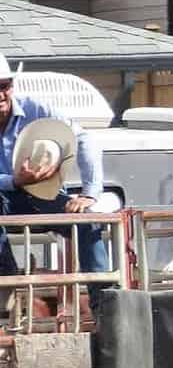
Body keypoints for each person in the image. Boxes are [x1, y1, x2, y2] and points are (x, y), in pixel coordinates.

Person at [0, 52, 108, 308]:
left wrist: (90, 192)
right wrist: (13, 180)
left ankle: (105, 300)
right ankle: (6, 281)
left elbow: (83, 139)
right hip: (4, 195)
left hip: (42, 193)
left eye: (3, 86)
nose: (0, 94)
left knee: (85, 220)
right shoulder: (35, 110)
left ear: (11, 87)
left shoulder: (37, 109)